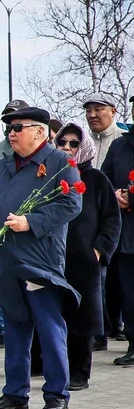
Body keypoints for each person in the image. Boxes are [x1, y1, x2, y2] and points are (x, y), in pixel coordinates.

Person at [0, 106, 81, 409]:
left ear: (40, 131)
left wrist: (32, 221)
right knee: (15, 326)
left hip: (38, 259)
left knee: (49, 327)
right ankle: (15, 392)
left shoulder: (60, 162)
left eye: (18, 127)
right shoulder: (2, 164)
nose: (11, 132)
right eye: (9, 127)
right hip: (4, 258)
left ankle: (56, 394)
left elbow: (72, 203)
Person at [55, 122, 119, 389]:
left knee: (82, 319)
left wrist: (99, 250)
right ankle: (53, 371)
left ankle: (80, 374)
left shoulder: (95, 179)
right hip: (53, 257)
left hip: (83, 260)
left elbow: (112, 219)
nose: (67, 148)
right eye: (63, 143)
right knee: (55, 317)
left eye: (73, 143)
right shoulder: (50, 175)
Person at [100, 108, 134, 367]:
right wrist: (115, 196)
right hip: (127, 235)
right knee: (129, 293)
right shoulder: (119, 146)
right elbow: (103, 182)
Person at [85, 95, 123, 169]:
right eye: (88, 111)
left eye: (98, 109)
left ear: (113, 112)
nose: (92, 115)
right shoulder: (82, 141)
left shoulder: (125, 139)